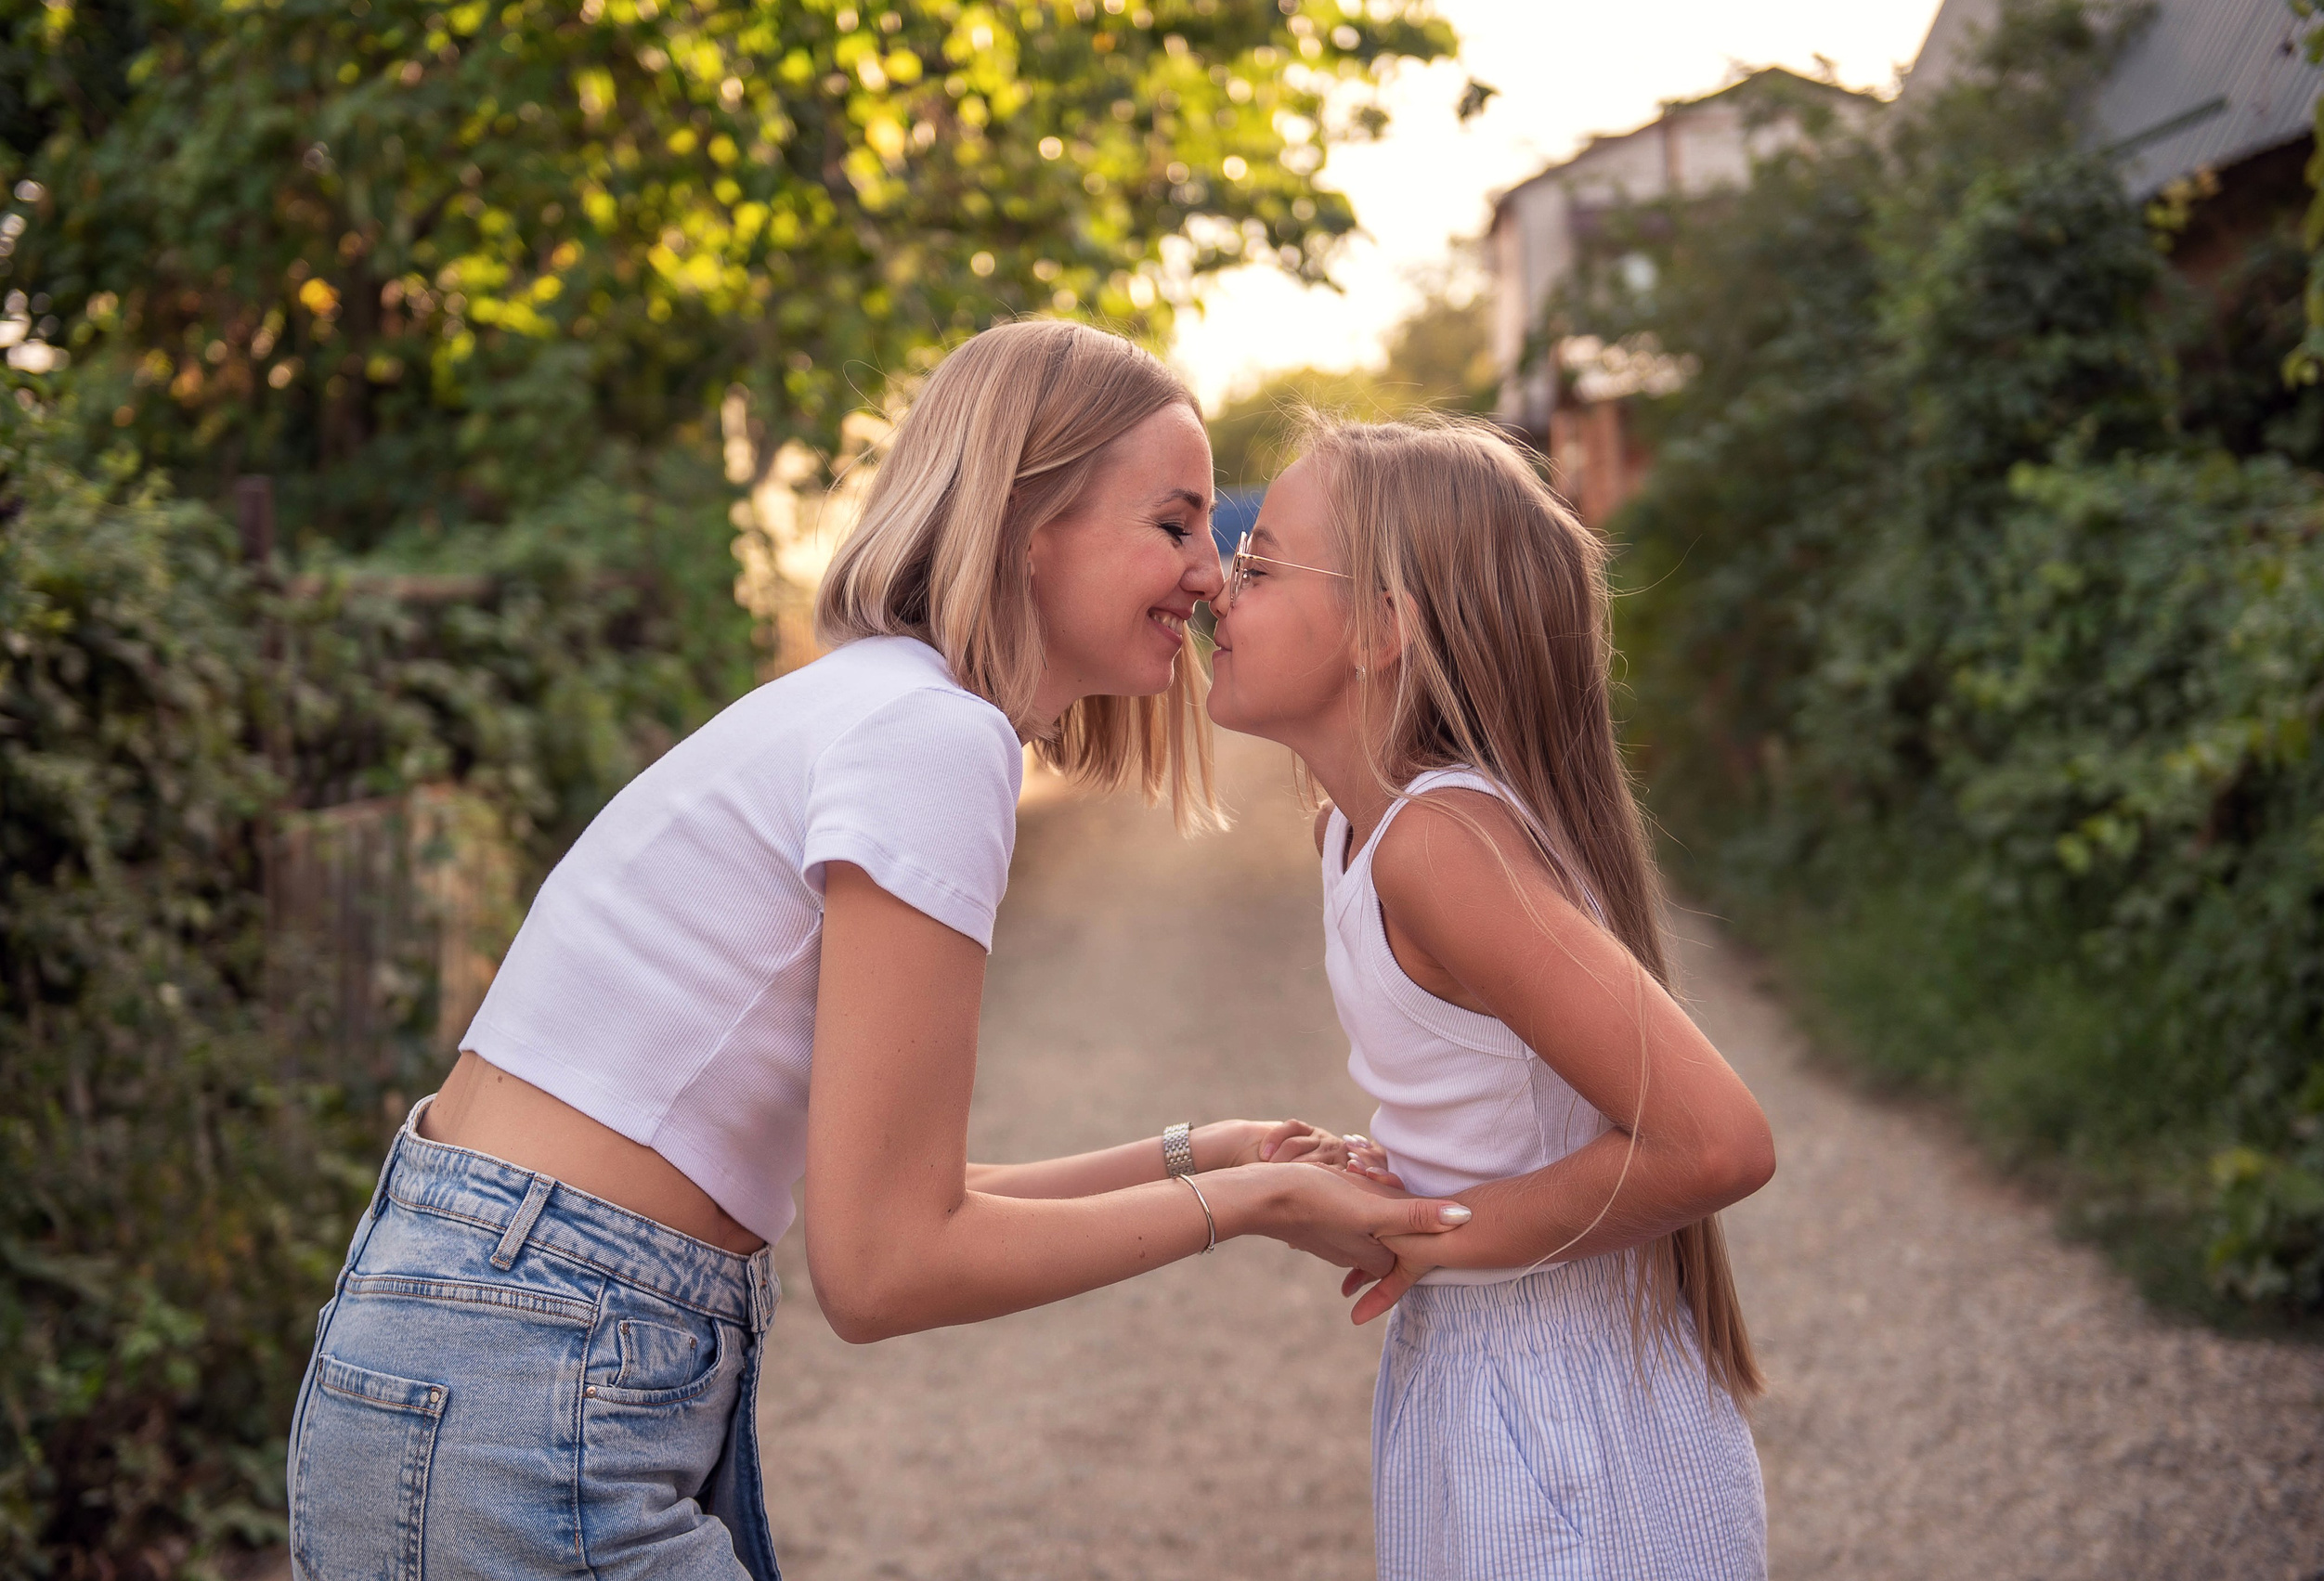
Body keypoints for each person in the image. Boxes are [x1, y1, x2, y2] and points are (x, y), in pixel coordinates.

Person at [282, 321, 1469, 1581]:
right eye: (1175, 524)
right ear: (1031, 524)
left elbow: (895, 1192)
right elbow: (888, 1266)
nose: (1212, 576)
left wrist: (1200, 1152)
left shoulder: (871, 702)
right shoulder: (931, 738)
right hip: (533, 1366)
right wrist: (1261, 1200)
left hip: (466, 1337)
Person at [1203, 412, 1777, 1580]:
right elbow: (1508, 1108)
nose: (1217, 583)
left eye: (1259, 563)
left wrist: (1426, 1236)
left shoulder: (1440, 845)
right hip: (1480, 1368)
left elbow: (1717, 1142)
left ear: (1380, 628)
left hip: (1564, 1413)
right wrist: (1403, 1178)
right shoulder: (1358, 834)